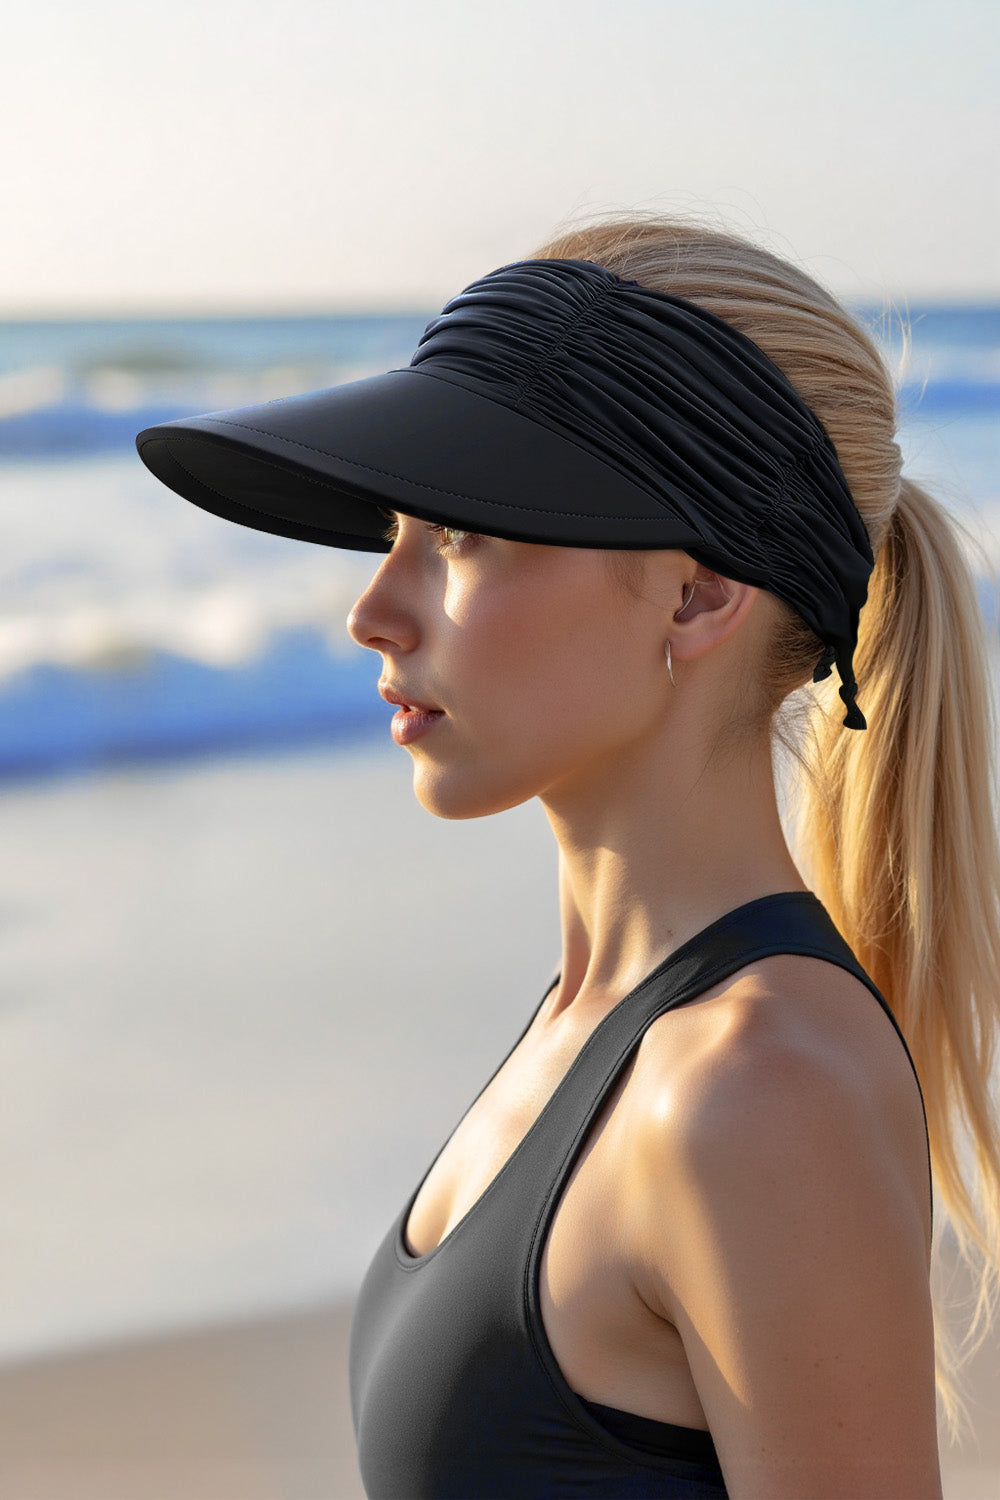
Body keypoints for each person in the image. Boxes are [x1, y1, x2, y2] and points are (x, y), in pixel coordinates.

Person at [136, 213, 1000, 1499]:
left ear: (699, 593)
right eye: (394, 532)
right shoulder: (600, 1030)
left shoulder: (756, 1087)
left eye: (466, 535)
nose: (375, 609)